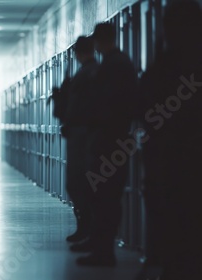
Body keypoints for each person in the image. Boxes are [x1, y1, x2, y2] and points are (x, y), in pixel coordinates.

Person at [138, 1, 202, 279]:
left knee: (173, 220)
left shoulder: (166, 63)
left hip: (170, 160)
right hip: (175, 158)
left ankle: (168, 264)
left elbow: (143, 105)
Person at [75, 22, 138, 266]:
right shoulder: (117, 64)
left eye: (97, 41)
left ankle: (103, 251)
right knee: (101, 194)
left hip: (111, 140)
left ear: (102, 41)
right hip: (110, 138)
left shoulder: (115, 66)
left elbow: (108, 104)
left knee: (105, 196)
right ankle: (99, 245)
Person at [53, 36, 98, 244]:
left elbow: (81, 107)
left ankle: (88, 230)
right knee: (79, 184)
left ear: (78, 53)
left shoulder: (90, 73)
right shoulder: (88, 73)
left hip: (84, 137)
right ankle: (86, 229)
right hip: (82, 135)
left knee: (80, 183)